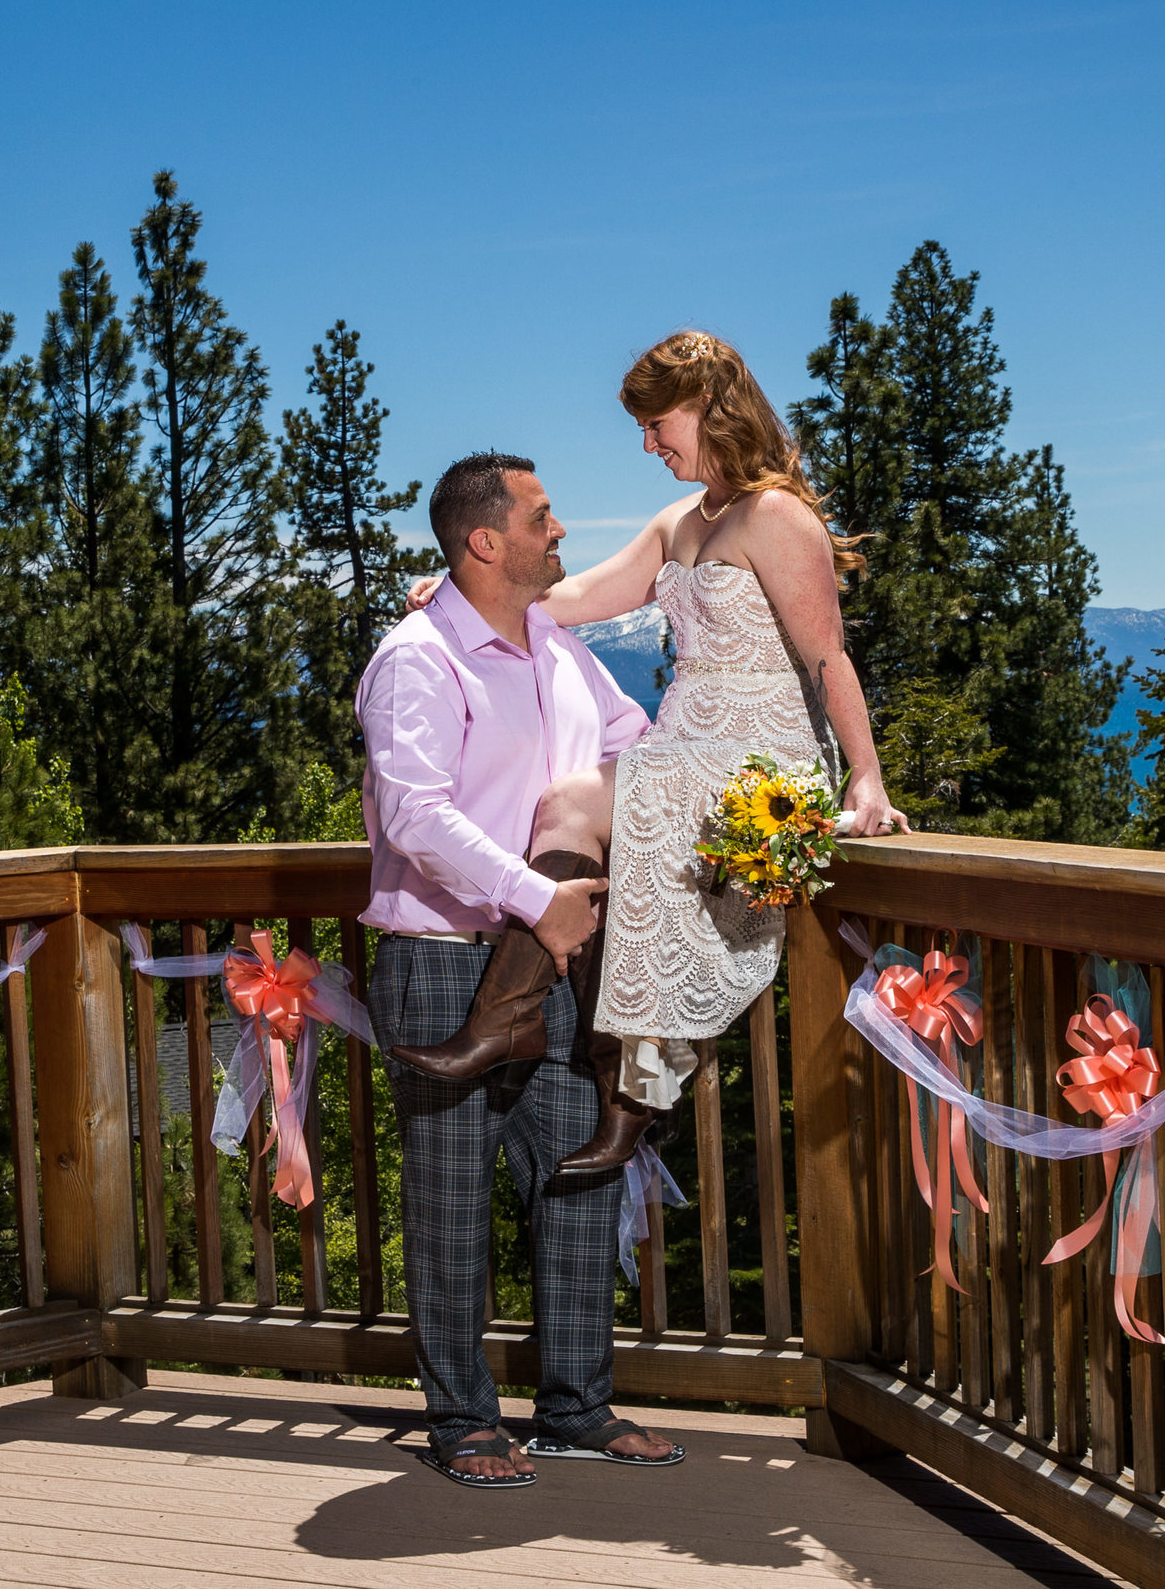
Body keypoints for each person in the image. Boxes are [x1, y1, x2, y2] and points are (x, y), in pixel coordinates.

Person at [391, 330, 908, 1172]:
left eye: (657, 421)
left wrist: (867, 777)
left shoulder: (775, 514)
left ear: (709, 407)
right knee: (568, 804)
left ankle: (543, 1040)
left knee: (573, 802)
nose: (647, 442)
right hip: (682, 744)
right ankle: (610, 1077)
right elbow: (579, 596)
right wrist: (460, 586)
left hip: (760, 758)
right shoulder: (678, 522)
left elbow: (828, 656)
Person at [357, 450, 683, 1489]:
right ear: (482, 541)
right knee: (450, 1204)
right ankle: (462, 1421)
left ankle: (576, 1409)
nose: (561, 532)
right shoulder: (416, 659)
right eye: (543, 517)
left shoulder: (556, 646)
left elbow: (633, 741)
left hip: (555, 965)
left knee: (583, 1172)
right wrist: (534, 890)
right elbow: (414, 816)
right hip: (444, 964)